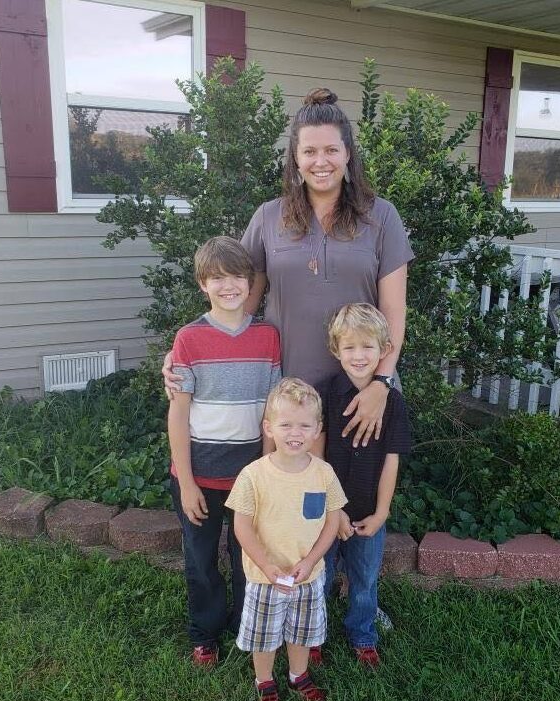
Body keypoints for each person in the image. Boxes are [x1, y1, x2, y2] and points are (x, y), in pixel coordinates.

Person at [165, 87, 413, 448]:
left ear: (348, 155)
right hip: (288, 397)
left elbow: (393, 311)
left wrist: (382, 383)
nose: (321, 161)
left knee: (356, 495)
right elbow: (238, 303)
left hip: (361, 390)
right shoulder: (268, 217)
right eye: (309, 151)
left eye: (331, 150)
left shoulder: (382, 216)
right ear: (295, 159)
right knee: (290, 497)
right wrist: (184, 357)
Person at [167, 236, 281, 668]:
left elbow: (272, 409)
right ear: (202, 284)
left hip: (249, 476)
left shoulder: (267, 336)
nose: (228, 286)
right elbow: (178, 415)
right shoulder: (189, 339)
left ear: (251, 282)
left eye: (236, 276)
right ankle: (205, 634)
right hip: (198, 475)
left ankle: (246, 626)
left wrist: (268, 472)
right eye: (217, 278)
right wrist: (187, 482)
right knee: (200, 560)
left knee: (246, 556)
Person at [226, 378, 347, 701]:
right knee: (264, 635)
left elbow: (332, 522)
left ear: (317, 430)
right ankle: (264, 679)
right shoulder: (253, 475)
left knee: (301, 632)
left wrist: (310, 561)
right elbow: (242, 527)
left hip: (307, 577)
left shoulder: (324, 474)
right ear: (269, 428)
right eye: (286, 425)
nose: (296, 433)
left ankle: (298, 674)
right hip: (267, 578)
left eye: (305, 425)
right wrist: (267, 566)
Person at [315, 304, 411, 668]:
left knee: (365, 578)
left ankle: (363, 634)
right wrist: (332, 509)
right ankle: (313, 636)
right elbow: (317, 459)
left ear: (384, 349)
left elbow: (392, 460)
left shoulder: (393, 403)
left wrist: (382, 512)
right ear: (335, 350)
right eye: (350, 347)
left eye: (367, 347)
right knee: (319, 576)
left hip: (370, 510)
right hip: (325, 510)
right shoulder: (323, 395)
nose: (359, 356)